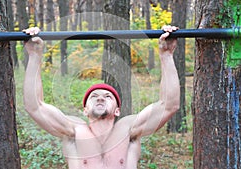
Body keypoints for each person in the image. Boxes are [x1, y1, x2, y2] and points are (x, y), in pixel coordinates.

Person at [23, 25, 180, 169]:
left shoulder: (129, 131)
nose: (100, 98)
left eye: (107, 96)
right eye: (94, 96)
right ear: (85, 110)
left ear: (117, 110)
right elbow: (35, 106)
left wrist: (166, 55)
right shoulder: (74, 132)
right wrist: (34, 55)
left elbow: (169, 105)